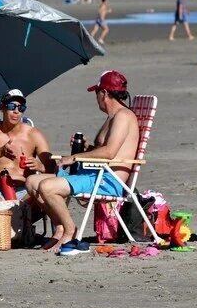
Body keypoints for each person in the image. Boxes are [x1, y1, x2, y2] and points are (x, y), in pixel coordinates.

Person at [35, 70, 139, 255]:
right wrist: (86, 148)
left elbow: (109, 152)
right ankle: (61, 228)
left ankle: (70, 231)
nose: (96, 98)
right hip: (95, 173)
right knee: (32, 183)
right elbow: (105, 150)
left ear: (104, 93)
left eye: (97, 93)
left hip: (108, 181)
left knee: (47, 187)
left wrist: (74, 157)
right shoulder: (113, 117)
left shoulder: (123, 116)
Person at [0, 89, 54, 213]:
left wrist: (41, 167)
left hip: (26, 193)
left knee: (50, 190)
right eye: (11, 106)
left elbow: (53, 168)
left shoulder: (33, 134)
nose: (16, 111)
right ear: (2, 108)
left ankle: (21, 222)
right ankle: (17, 224)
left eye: (21, 108)